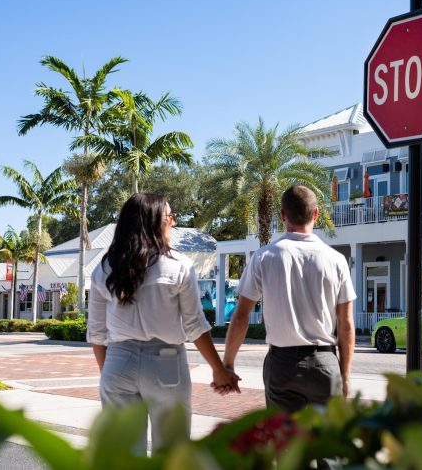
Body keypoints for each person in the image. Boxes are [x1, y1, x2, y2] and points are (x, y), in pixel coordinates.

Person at [87, 193, 240, 451]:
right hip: (167, 363)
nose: (173, 222)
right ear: (156, 222)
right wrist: (219, 369)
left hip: (117, 361)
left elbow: (97, 333)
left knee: (123, 458)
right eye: (170, 216)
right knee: (171, 455)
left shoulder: (104, 269)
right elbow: (195, 325)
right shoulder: (178, 265)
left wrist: (111, 373)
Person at [222, 185, 355, 412]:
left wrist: (228, 364)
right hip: (324, 363)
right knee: (325, 442)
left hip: (282, 365)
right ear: (315, 214)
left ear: (283, 215)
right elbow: (346, 324)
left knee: (284, 442)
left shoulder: (264, 257)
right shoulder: (337, 260)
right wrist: (344, 375)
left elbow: (241, 316)